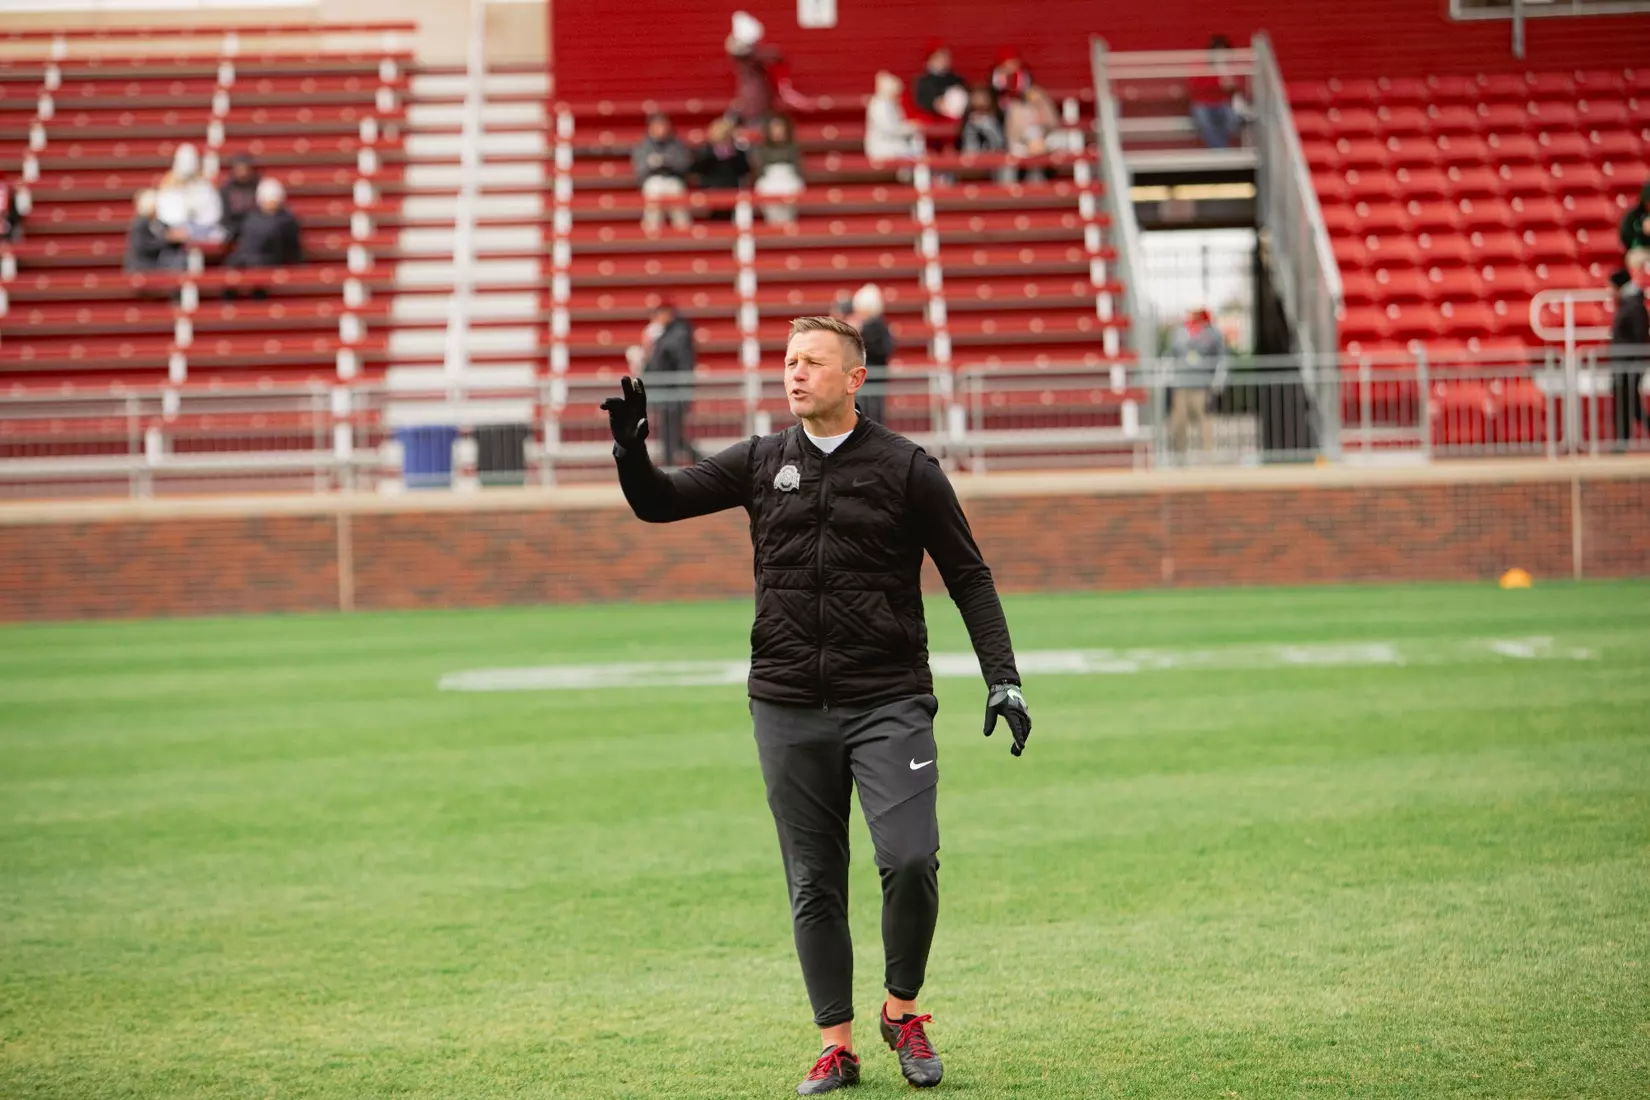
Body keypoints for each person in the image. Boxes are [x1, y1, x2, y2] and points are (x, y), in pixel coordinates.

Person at [601, 316, 1031, 1096]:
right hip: (787, 703)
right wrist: (633, 452)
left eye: (813, 362)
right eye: (789, 361)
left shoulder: (907, 469)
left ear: (855, 378)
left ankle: (903, 1013)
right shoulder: (764, 460)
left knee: (908, 859)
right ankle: (836, 1043)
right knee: (813, 879)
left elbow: (969, 575)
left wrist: (1003, 676)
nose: (795, 374)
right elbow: (658, 504)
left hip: (890, 700)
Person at [1167, 307, 1230, 462]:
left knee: (1205, 423)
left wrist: (1218, 380)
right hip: (1181, 385)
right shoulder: (1179, 332)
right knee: (1179, 423)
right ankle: (1178, 458)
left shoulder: (1213, 333)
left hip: (1202, 386)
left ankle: (1208, 459)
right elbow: (1171, 354)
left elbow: (1222, 358)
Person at [639, 304, 697, 466]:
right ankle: (695, 461)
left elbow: (675, 360)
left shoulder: (678, 334)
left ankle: (671, 467)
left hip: (675, 392)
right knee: (671, 434)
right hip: (666, 392)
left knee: (671, 434)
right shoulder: (667, 335)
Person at [1609, 261, 1649, 450]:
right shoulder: (1629, 303)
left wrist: (1634, 362)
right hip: (1623, 364)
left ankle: (1622, 442)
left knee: (1629, 404)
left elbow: (1639, 336)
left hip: (1630, 364)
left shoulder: (1633, 306)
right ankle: (1622, 442)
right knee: (1629, 405)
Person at [633, 113, 693, 232]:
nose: (661, 129)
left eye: (663, 126)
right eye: (657, 126)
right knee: (653, 191)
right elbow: (639, 169)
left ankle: (683, 230)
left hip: (673, 178)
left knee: (676, 192)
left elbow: (685, 165)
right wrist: (652, 163)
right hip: (652, 179)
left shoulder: (677, 144)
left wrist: (668, 162)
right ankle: (652, 231)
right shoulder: (643, 145)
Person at [154, 143, 224, 244]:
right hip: (174, 232)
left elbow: (213, 213)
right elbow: (164, 214)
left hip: (202, 230)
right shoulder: (168, 186)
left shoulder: (205, 185)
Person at [226, 178, 302, 269]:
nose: (271, 204)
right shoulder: (251, 219)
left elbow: (291, 251)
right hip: (250, 264)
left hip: (272, 265)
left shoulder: (286, 221)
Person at [1188, 35, 1244, 150]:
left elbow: (1241, 86)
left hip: (1224, 103)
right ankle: (1220, 151)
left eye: (1224, 52)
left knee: (1231, 121)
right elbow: (1195, 85)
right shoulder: (1200, 65)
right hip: (1203, 103)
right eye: (1218, 52)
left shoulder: (1232, 68)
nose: (1221, 56)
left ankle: (1219, 150)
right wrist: (1218, 81)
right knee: (1205, 122)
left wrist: (1233, 85)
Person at [850, 283, 894, 425]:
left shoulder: (873, 327)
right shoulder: (880, 326)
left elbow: (880, 350)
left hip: (870, 381)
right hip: (870, 382)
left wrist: (860, 331)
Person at [692, 117, 751, 221]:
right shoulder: (705, 153)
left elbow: (745, 173)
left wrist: (732, 156)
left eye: (727, 136)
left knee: (744, 203)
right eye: (721, 136)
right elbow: (696, 174)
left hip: (733, 189)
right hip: (710, 189)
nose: (723, 140)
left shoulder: (738, 154)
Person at [753, 114, 805, 226]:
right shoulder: (763, 149)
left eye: (780, 128)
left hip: (789, 180)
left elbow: (798, 169)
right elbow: (760, 171)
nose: (777, 131)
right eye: (774, 128)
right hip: (769, 181)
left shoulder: (793, 148)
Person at [865, 72, 923, 164]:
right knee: (916, 151)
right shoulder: (879, 105)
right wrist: (910, 128)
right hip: (885, 147)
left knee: (917, 144)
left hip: (893, 142)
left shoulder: (891, 103)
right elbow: (889, 129)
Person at [123, 189, 184, 274]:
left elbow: (171, 234)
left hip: (157, 265)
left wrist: (176, 237)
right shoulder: (140, 223)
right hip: (142, 267)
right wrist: (166, 240)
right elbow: (143, 246)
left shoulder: (158, 222)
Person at [912, 43, 968, 125]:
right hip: (933, 118)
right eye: (939, 58)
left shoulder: (957, 79)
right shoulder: (922, 81)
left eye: (945, 59)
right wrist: (936, 104)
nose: (943, 61)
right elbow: (919, 102)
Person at [217, 153, 262, 243]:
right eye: (239, 170)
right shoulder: (226, 189)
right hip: (232, 227)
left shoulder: (259, 188)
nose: (242, 173)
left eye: (245, 169)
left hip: (254, 226)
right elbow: (224, 215)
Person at [1620, 181, 1650, 256]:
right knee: (1633, 257)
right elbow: (1626, 237)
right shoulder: (1635, 215)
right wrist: (1641, 231)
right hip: (1642, 251)